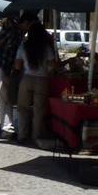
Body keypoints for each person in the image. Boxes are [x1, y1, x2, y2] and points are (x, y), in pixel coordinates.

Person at [14, 13, 59, 146]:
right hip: (42, 80)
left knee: (23, 108)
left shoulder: (23, 47)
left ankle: (22, 135)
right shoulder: (46, 48)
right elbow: (54, 65)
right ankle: (36, 135)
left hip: (27, 78)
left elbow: (17, 66)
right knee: (39, 109)